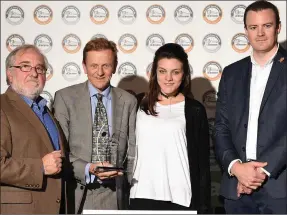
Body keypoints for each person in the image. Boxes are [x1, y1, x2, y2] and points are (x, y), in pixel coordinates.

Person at [214, 0, 287, 213]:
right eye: (253, 27)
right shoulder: (231, 73)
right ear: (246, 31)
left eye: (267, 25)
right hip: (236, 189)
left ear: (278, 27)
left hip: (279, 189)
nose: (260, 33)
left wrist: (261, 173)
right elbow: (221, 128)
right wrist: (236, 168)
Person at [53, 38, 137, 213]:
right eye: (93, 66)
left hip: (115, 195)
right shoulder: (64, 98)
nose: (99, 72)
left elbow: (132, 151)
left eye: (106, 65)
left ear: (114, 66)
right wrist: (88, 169)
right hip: (78, 193)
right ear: (84, 67)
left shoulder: (128, 101)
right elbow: (60, 151)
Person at [129, 43, 211, 213]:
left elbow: (202, 165)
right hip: (141, 194)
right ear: (154, 73)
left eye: (175, 72)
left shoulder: (195, 109)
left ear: (184, 74)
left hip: (181, 198)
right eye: (162, 71)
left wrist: (204, 207)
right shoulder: (138, 103)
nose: (168, 78)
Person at [1, 44, 65, 214]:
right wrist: (40, 167)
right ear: (9, 73)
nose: (34, 73)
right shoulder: (2, 107)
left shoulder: (46, 111)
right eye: (25, 66)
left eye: (40, 68)